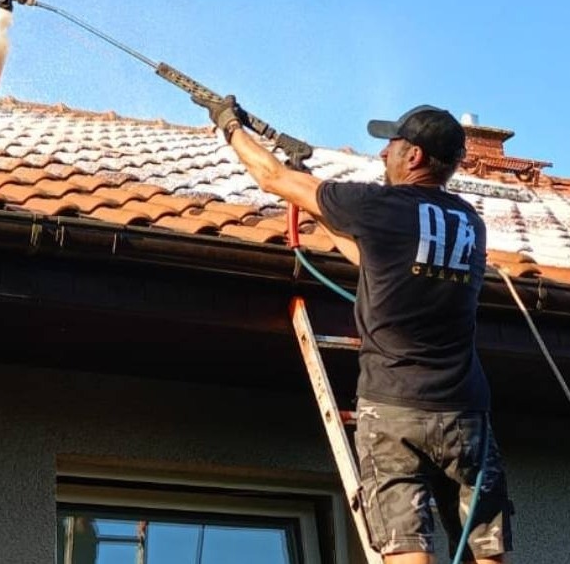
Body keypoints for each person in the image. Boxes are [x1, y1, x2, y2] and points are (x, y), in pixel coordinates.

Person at [195, 97, 513, 564]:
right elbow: (377, 260)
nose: (383, 155)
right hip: (467, 414)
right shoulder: (470, 224)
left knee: (406, 546)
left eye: (392, 145)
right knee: (485, 550)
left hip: (394, 407)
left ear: (415, 156)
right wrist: (321, 210)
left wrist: (229, 126)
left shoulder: (381, 206)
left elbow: (272, 179)